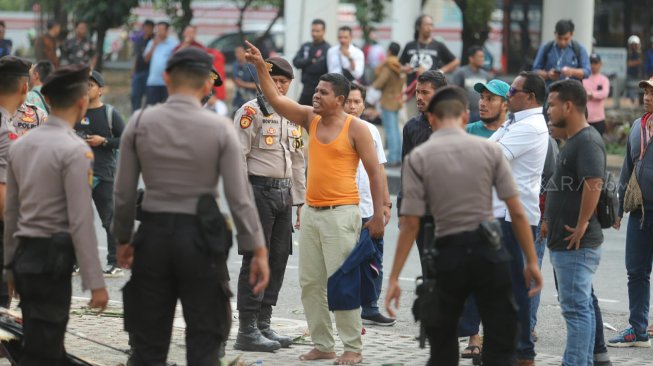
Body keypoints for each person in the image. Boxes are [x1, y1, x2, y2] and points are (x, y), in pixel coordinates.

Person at [113, 47, 270, 365]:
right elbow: (239, 197)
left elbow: (123, 195)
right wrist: (258, 249)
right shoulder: (220, 128)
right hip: (200, 242)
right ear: (206, 86)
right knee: (203, 344)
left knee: (147, 346)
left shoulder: (140, 122)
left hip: (153, 237)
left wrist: (123, 239)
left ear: (167, 78)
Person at [245, 40, 386, 365]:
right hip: (311, 213)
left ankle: (352, 348)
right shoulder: (311, 118)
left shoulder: (358, 129)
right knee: (310, 284)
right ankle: (324, 344)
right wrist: (258, 67)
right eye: (316, 90)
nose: (315, 95)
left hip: (343, 214)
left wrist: (378, 215)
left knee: (343, 282)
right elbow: (277, 99)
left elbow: (376, 175)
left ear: (339, 99)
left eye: (323, 92)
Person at [385, 85, 543, 366]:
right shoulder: (489, 151)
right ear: (463, 117)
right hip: (489, 253)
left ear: (431, 117)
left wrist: (395, 277)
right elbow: (517, 212)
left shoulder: (419, 158)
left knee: (443, 344)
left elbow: (410, 223)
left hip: (447, 255)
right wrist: (530, 260)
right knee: (499, 339)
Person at [3, 62, 108, 365]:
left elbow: (12, 212)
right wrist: (95, 281)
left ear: (47, 100)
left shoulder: (20, 146)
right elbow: (80, 220)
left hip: (24, 257)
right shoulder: (76, 150)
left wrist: (9, 267)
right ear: (81, 102)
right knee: (45, 348)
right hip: (53, 259)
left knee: (36, 337)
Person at [233, 56, 306, 352]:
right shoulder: (250, 112)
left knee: (278, 258)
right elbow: (236, 157)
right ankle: (247, 329)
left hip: (284, 195)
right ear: (261, 80)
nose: (278, 85)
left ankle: (264, 322)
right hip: (257, 192)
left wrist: (300, 201)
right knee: (255, 258)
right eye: (273, 80)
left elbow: (300, 160)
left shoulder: (292, 115)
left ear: (290, 84)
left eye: (283, 82)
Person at [487, 71, 549, 366]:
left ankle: (522, 352)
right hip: (501, 214)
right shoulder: (514, 121)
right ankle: (515, 351)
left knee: (512, 289)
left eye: (512, 91)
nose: (507, 95)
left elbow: (492, 155)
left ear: (531, 97)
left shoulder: (533, 126)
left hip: (515, 218)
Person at [544, 79, 606, 365]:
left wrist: (581, 224)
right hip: (566, 241)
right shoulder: (575, 140)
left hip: (576, 242)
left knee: (576, 310)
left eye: (553, 103)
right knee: (579, 309)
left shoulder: (588, 141)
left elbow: (594, 183)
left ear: (568, 106)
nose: (549, 109)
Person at [457, 79, 510, 360]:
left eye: (491, 98)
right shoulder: (468, 131)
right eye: (481, 97)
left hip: (503, 216)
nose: (483, 102)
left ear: (505, 103)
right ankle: (473, 336)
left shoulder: (512, 133)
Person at [344, 82, 394, 326]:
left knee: (372, 260)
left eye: (357, 102)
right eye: (348, 101)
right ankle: (346, 308)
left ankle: (370, 307)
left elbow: (380, 169)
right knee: (345, 259)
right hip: (343, 206)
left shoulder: (371, 131)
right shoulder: (332, 129)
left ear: (364, 105)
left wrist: (385, 204)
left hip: (369, 207)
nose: (352, 106)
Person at [609, 76, 653, 348]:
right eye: (646, 92)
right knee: (635, 271)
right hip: (639, 213)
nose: (647, 97)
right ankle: (638, 329)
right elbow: (626, 168)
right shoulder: (639, 126)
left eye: (652, 92)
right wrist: (617, 207)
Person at [74, 70, 125, 275]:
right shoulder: (77, 111)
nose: (87, 87)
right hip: (78, 173)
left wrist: (103, 141)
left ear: (101, 90)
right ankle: (76, 262)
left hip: (103, 173)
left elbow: (127, 139)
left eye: (92, 84)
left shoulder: (110, 114)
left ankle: (115, 263)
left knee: (109, 219)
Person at [398, 70, 447, 267]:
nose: (419, 97)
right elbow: (406, 171)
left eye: (425, 92)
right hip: (421, 212)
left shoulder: (455, 125)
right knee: (429, 270)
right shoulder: (411, 127)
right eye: (418, 92)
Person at [400, 14, 458, 117]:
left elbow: (455, 61)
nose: (429, 28)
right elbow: (399, 65)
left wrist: (440, 71)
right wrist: (405, 69)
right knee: (413, 122)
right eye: (426, 25)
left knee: (431, 121)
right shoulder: (410, 46)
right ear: (418, 27)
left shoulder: (438, 45)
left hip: (432, 93)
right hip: (413, 93)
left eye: (431, 25)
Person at [371, 42, 405, 166]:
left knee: (390, 131)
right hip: (397, 99)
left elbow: (380, 83)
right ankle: (398, 156)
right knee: (396, 130)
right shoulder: (401, 66)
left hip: (387, 100)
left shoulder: (388, 66)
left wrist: (375, 85)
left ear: (389, 51)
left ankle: (392, 158)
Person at [532, 19, 590, 84]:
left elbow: (587, 72)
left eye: (566, 39)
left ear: (571, 34)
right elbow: (535, 71)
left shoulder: (579, 48)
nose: (562, 42)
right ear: (554, 34)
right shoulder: (546, 47)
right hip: (550, 90)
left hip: (572, 91)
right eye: (559, 38)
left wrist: (572, 72)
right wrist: (548, 74)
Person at [293, 19, 330, 106]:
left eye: (317, 31)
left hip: (320, 89)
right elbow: (296, 62)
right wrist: (310, 61)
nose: (314, 34)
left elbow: (319, 68)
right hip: (306, 88)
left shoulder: (327, 49)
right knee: (300, 113)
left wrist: (306, 65)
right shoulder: (306, 46)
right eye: (313, 30)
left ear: (324, 31)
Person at [143, 21, 179, 105]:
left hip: (168, 82)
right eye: (157, 29)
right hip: (153, 81)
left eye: (161, 29)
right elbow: (146, 59)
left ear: (167, 31)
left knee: (168, 106)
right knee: (151, 107)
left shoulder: (174, 43)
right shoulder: (152, 42)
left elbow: (177, 59)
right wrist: (154, 45)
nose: (158, 32)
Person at [452, 46, 490, 123]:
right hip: (465, 113)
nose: (482, 59)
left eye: (483, 57)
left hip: (482, 113)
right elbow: (453, 92)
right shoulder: (461, 73)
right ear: (471, 58)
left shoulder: (486, 75)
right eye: (480, 56)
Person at [583, 53, 610, 135]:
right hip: (584, 119)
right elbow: (581, 93)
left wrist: (591, 94)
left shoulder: (604, 79)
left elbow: (605, 93)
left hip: (599, 119)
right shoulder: (583, 78)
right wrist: (596, 94)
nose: (593, 65)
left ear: (600, 64)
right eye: (591, 63)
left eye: (595, 63)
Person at [130, 19, 154, 112]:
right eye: (146, 27)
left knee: (149, 96)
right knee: (135, 95)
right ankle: (135, 115)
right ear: (143, 28)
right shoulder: (138, 41)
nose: (148, 29)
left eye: (150, 27)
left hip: (150, 72)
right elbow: (136, 56)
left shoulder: (154, 40)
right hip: (139, 71)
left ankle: (145, 116)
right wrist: (133, 71)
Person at [232, 45, 258, 111]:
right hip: (238, 98)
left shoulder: (252, 66)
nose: (237, 55)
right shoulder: (235, 65)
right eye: (236, 53)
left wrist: (242, 84)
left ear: (244, 52)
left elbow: (257, 85)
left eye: (239, 52)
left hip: (250, 99)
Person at [627, 35, 643, 104]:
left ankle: (641, 102)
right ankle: (632, 101)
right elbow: (628, 63)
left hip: (639, 74)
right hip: (631, 74)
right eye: (632, 44)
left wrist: (634, 63)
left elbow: (641, 62)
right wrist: (636, 62)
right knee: (631, 88)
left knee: (641, 88)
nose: (634, 46)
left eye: (635, 44)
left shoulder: (640, 53)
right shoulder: (629, 54)